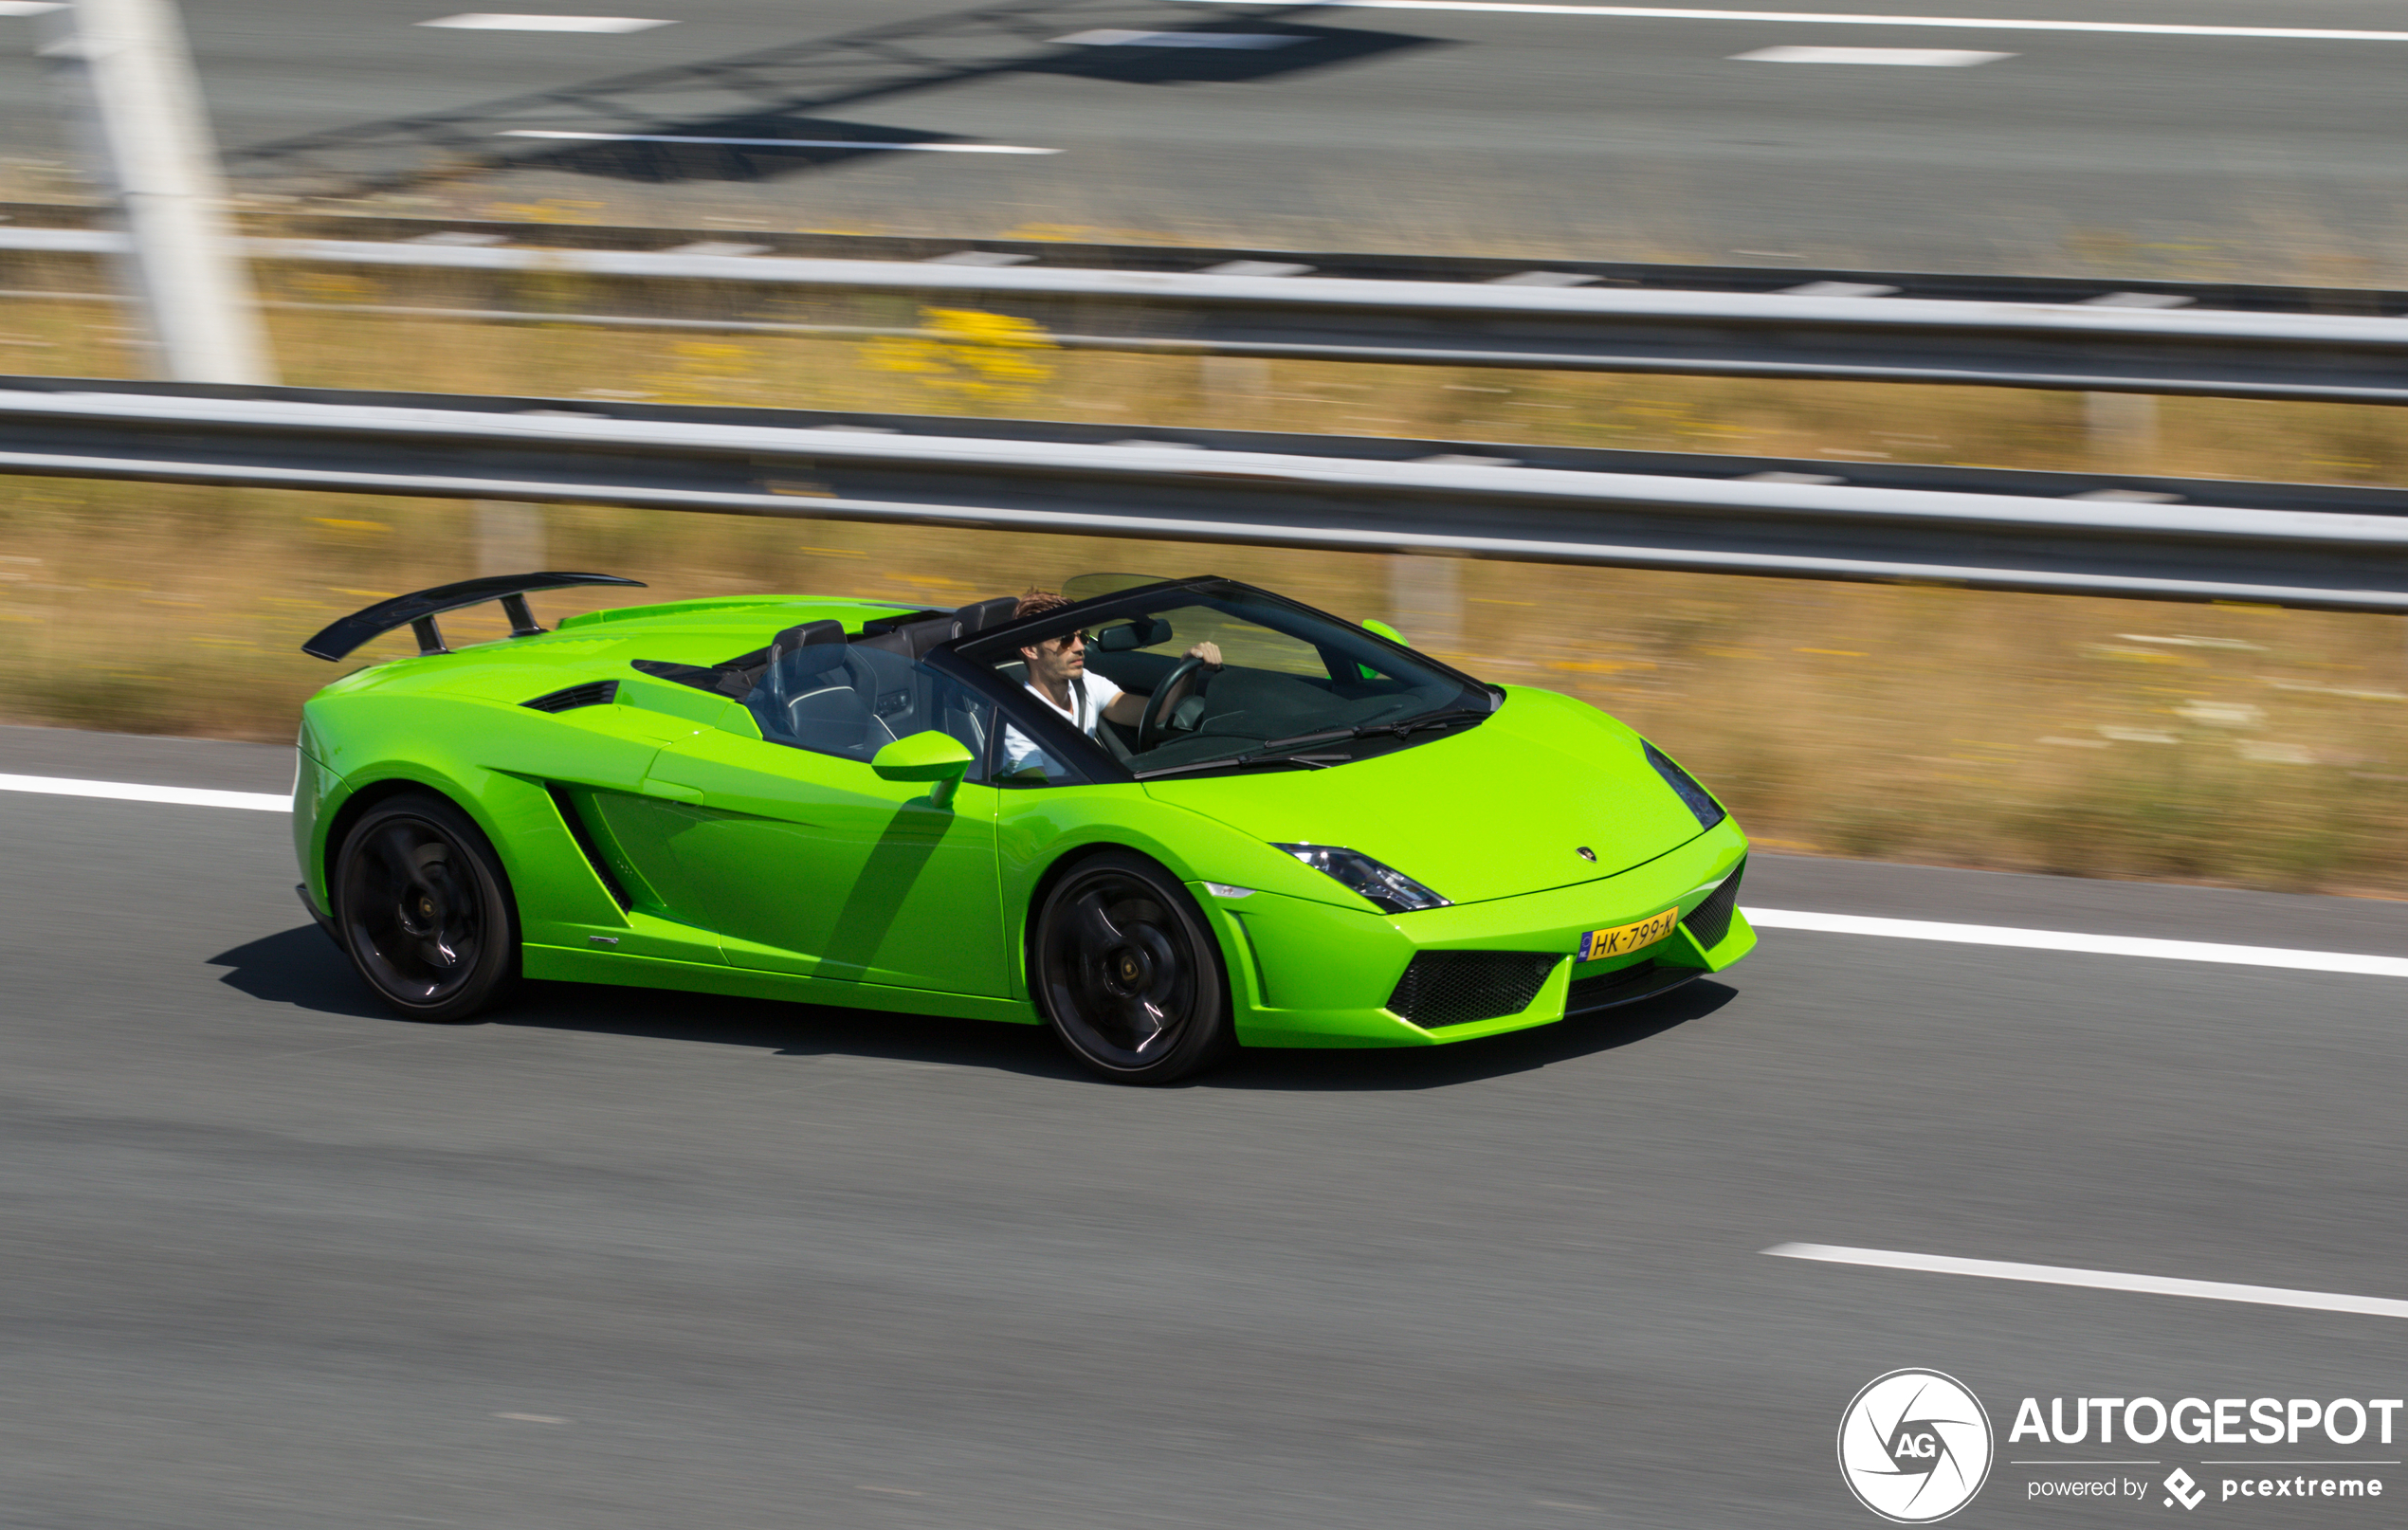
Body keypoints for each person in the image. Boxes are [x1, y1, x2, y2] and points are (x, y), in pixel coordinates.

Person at [1000, 589, 1220, 777]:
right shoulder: (1019, 725)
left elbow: (1160, 715)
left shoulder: (1086, 683)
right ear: (1030, 649)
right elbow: (1035, 802)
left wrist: (1187, 667)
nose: (1080, 647)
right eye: (1066, 639)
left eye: (1082, 636)